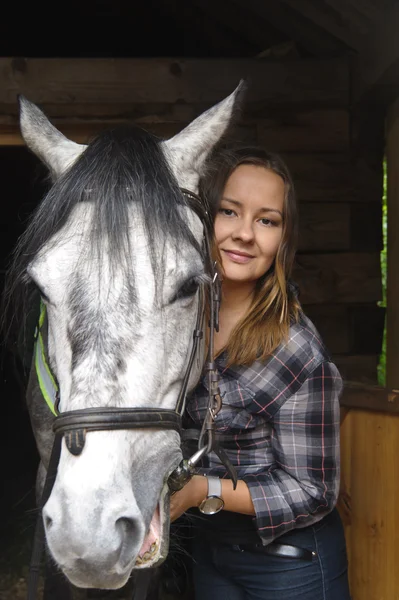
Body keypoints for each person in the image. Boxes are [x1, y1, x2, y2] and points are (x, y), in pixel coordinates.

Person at [169, 144, 351, 600]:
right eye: (229, 212)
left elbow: (314, 490)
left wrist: (198, 492)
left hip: (292, 563)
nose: (245, 234)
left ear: (283, 239)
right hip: (210, 553)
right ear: (204, 218)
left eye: (267, 220)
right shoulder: (174, 327)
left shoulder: (298, 349)